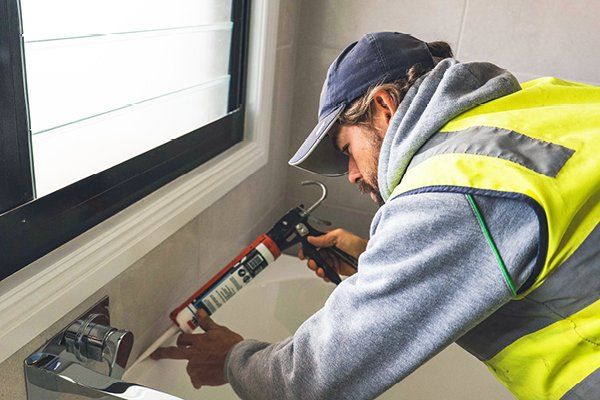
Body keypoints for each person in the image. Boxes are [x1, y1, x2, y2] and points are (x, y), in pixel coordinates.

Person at [152, 32, 600, 399]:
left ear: (384, 106)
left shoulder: (451, 190)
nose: (350, 174)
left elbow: (312, 383)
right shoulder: (538, 104)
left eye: (347, 149)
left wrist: (232, 359)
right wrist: (380, 258)